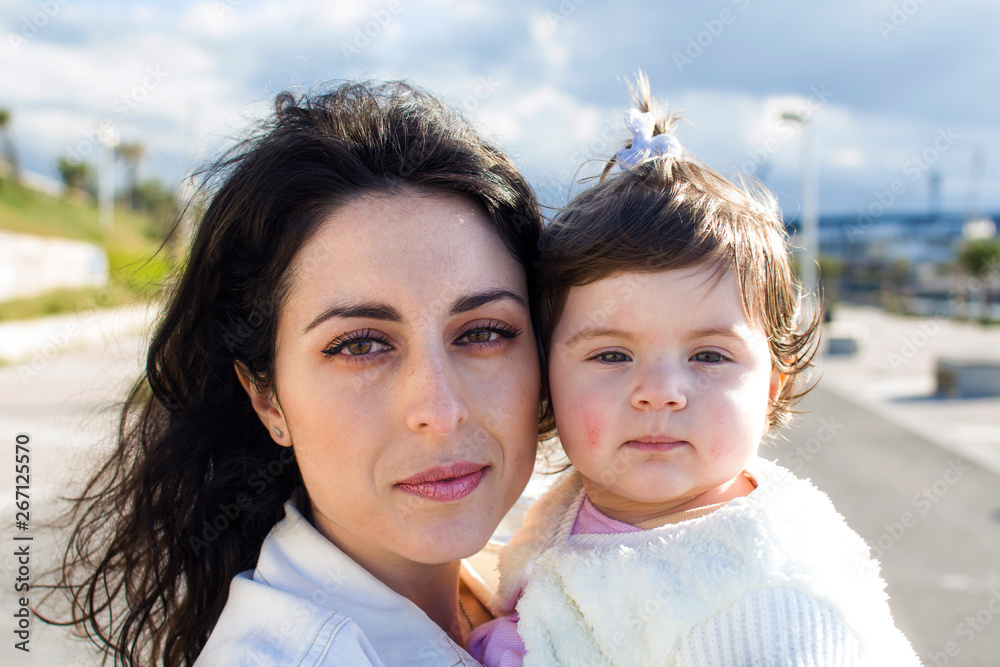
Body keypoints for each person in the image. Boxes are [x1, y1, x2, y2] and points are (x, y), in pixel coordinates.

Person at [42, 80, 550, 666]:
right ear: (268, 400)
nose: (439, 408)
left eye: (484, 333)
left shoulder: (550, 574)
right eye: (360, 345)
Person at [469, 74, 921, 666]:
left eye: (709, 355)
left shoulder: (769, 604)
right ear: (546, 380)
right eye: (611, 355)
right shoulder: (575, 510)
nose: (660, 393)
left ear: (769, 392)